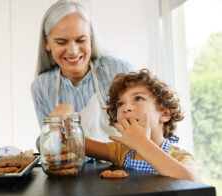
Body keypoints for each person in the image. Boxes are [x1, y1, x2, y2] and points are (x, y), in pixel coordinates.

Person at [31, 0, 133, 149]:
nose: (73, 51)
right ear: (47, 43)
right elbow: (50, 149)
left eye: (80, 40)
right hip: (72, 170)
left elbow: (142, 133)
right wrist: (53, 126)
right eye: (61, 42)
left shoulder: (119, 71)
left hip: (123, 168)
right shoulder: (41, 86)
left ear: (91, 39)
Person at [85, 69, 198, 181]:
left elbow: (196, 187)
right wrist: (68, 118)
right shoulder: (121, 150)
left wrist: (141, 142)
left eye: (138, 98)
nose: (126, 108)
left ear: (165, 113)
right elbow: (81, 145)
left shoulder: (180, 157)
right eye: (120, 104)